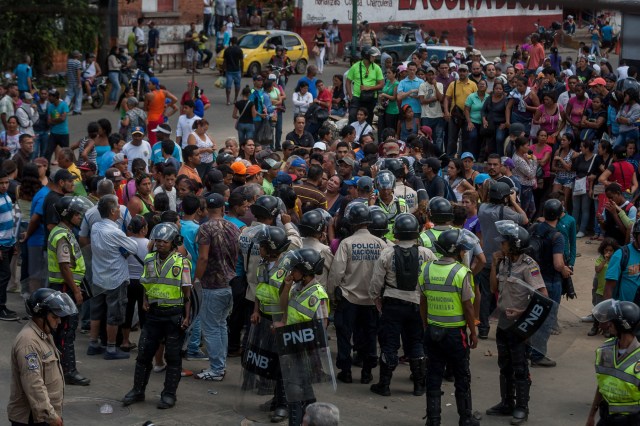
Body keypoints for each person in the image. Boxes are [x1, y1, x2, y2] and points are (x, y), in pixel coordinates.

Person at [122, 222, 192, 409]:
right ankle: (138, 390)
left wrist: (187, 317)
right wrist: (145, 299)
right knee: (144, 354)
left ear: (173, 242)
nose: (160, 244)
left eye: (165, 241)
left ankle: (169, 395)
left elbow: (187, 292)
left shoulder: (181, 261)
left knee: (173, 357)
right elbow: (147, 282)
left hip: (173, 315)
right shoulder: (149, 259)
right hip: (153, 314)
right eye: (158, 241)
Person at [487, 222, 548, 425]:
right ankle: (507, 403)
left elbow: (543, 297)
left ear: (514, 245)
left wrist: (522, 311)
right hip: (503, 321)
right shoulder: (504, 262)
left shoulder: (528, 265)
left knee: (520, 367)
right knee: (504, 364)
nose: (500, 245)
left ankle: (522, 407)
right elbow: (493, 289)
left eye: (504, 242)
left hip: (521, 324)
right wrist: (494, 264)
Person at [369, 214, 435, 397]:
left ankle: (384, 385)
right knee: (416, 342)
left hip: (392, 303)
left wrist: (376, 298)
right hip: (416, 303)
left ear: (396, 231)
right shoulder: (426, 253)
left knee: (389, 344)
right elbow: (431, 279)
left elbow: (376, 282)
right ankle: (419, 385)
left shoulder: (387, 253)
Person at [419, 228, 479, 426]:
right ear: (457, 251)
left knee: (433, 375)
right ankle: (466, 418)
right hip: (455, 334)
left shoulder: (426, 269)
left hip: (433, 332)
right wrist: (474, 332)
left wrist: (426, 325)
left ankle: (433, 420)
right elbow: (468, 307)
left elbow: (423, 301)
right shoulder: (462, 273)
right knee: (462, 376)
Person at [328, 203, 385, 384]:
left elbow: (337, 273)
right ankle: (367, 372)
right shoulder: (381, 244)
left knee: (344, 335)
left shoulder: (347, 243)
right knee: (370, 336)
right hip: (371, 300)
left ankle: (345, 371)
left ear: (351, 223)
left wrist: (332, 294)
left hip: (348, 297)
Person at [8, 288, 77, 426]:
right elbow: (34, 384)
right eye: (55, 317)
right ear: (41, 315)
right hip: (33, 418)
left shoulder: (44, 334)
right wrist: (51, 416)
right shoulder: (28, 342)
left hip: (43, 415)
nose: (58, 322)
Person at [277, 248, 330, 425]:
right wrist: (286, 286)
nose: (292, 272)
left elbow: (321, 328)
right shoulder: (296, 287)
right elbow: (283, 308)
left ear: (305, 271)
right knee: (305, 392)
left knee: (295, 395)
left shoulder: (318, 294)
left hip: (305, 353)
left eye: (295, 269)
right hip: (291, 347)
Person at [193, 193, 240, 381]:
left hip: (212, 285)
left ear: (206, 209)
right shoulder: (234, 227)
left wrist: (197, 279)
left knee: (212, 327)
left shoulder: (205, 228)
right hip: (230, 282)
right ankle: (220, 365)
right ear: (223, 208)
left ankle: (216, 368)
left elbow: (203, 257)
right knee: (220, 326)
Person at [88, 195, 139, 360]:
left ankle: (93, 343)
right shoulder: (114, 232)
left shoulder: (95, 226)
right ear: (111, 211)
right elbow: (133, 246)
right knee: (114, 314)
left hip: (98, 276)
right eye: (117, 207)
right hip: (115, 278)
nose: (120, 209)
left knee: (96, 312)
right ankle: (111, 348)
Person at [586, 299, 640, 425]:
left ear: (622, 325)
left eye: (612, 321)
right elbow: (602, 386)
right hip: (606, 419)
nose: (608, 324)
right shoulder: (605, 351)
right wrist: (591, 416)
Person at [444, 64, 477, 156]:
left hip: (468, 116)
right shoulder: (453, 84)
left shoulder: (473, 85)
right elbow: (446, 98)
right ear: (458, 72)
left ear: (467, 72)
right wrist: (446, 112)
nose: (462, 73)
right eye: (460, 71)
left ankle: (464, 157)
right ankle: (450, 157)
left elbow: (476, 99)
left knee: (466, 138)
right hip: (454, 115)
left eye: (464, 71)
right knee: (452, 138)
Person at [346, 46, 384, 124]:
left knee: (368, 120)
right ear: (366, 56)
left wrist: (369, 88)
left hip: (371, 98)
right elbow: (348, 82)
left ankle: (366, 135)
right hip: (357, 97)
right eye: (372, 56)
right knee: (352, 116)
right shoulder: (355, 67)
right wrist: (350, 96)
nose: (375, 57)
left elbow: (381, 84)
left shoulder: (377, 68)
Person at [223, 36, 243, 105]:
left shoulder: (227, 50)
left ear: (231, 42)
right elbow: (241, 61)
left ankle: (228, 100)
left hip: (229, 71)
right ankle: (235, 99)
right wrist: (242, 71)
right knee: (237, 85)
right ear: (236, 42)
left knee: (228, 86)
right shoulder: (239, 50)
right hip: (237, 70)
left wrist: (224, 70)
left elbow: (224, 61)